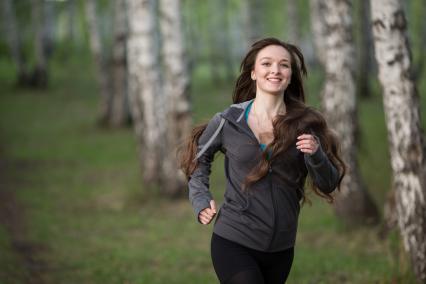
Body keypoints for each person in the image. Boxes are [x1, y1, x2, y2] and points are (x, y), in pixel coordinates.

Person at [178, 37, 345, 284]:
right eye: (266, 63)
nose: (275, 70)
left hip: (282, 247)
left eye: (284, 65)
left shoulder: (306, 123)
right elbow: (198, 159)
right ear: (254, 73)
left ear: (290, 75)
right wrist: (200, 198)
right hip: (233, 239)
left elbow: (328, 183)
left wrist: (317, 155)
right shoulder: (228, 120)